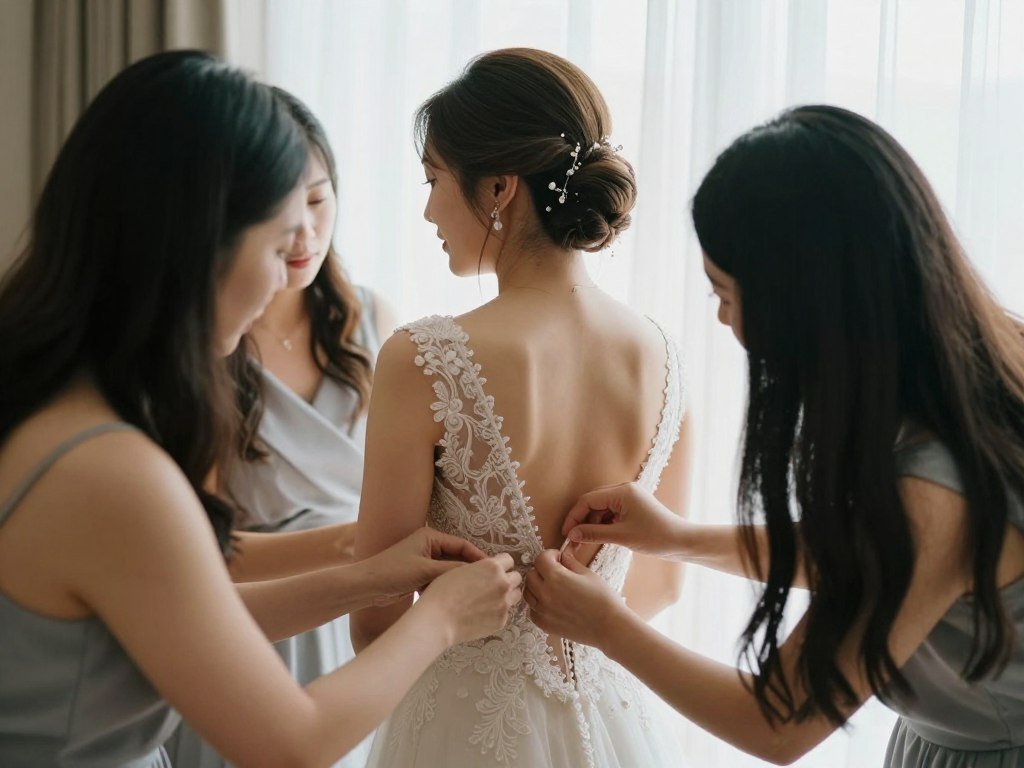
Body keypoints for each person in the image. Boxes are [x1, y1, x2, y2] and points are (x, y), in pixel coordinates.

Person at [0, 50, 520, 768]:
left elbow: (179, 618)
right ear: (200, 241)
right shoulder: (108, 469)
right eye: (278, 244)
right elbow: (292, 742)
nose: (286, 272)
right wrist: (439, 621)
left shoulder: (49, 399)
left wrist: (371, 574)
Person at [524, 105, 1024, 767]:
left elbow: (781, 723)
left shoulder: (933, 491)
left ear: (807, 302)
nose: (725, 321)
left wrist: (605, 626)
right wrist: (679, 538)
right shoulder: (983, 364)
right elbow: (878, 562)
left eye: (724, 294)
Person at [351, 48, 692, 768]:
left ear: (500, 186)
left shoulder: (423, 358)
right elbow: (662, 581)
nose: (427, 209)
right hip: (612, 722)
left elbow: (375, 620)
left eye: (434, 179)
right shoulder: (664, 356)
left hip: (460, 731)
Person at [166, 86, 394, 768]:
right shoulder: (201, 342)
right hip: (249, 624)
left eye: (320, 202)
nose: (306, 234)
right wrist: (364, 545)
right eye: (283, 212)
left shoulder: (375, 321)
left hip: (358, 619)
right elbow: (208, 547)